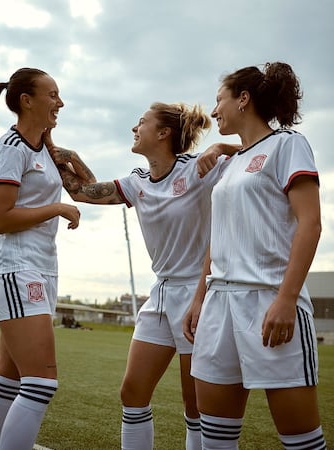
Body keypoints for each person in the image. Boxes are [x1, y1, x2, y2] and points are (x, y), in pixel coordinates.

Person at [44, 102, 238, 450]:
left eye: (141, 123)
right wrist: (65, 153)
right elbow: (81, 191)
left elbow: (260, 149)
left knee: (194, 404)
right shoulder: (138, 181)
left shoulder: (199, 168)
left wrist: (220, 146)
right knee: (132, 392)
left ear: (163, 133)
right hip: (160, 295)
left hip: (199, 295)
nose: (134, 128)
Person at [183, 62, 327, 450]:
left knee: (301, 443)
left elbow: (310, 224)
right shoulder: (229, 164)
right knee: (214, 439)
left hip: (269, 302)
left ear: (243, 99)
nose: (214, 112)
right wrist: (199, 299)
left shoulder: (289, 144)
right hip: (218, 306)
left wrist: (285, 299)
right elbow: (218, 238)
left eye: (219, 100)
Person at [0, 68, 80, 450]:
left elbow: (83, 190)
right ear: (27, 100)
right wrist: (55, 208)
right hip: (14, 269)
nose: (60, 103)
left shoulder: (43, 150)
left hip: (37, 268)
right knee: (40, 384)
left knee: (8, 384)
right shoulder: (10, 148)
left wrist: (68, 155)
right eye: (53, 95)